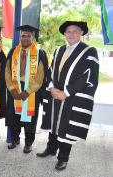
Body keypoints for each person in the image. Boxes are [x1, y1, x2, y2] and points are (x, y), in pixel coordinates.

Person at [37, 21, 99, 171]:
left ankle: (63, 158)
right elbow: (51, 71)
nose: (71, 34)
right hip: (55, 95)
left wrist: (66, 92)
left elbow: (87, 77)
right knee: (54, 123)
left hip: (72, 97)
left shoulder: (89, 51)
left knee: (66, 127)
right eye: (68, 31)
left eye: (75, 31)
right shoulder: (59, 50)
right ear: (64, 34)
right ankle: (51, 148)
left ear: (81, 33)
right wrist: (51, 88)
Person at [5, 25, 48, 153]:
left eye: (28, 36)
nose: (25, 38)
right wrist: (12, 89)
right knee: (14, 118)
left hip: (32, 91)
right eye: (23, 35)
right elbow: (7, 71)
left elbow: (40, 75)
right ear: (20, 37)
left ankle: (28, 143)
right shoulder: (13, 52)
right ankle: (15, 139)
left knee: (30, 119)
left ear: (32, 38)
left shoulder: (40, 53)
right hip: (15, 89)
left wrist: (28, 91)